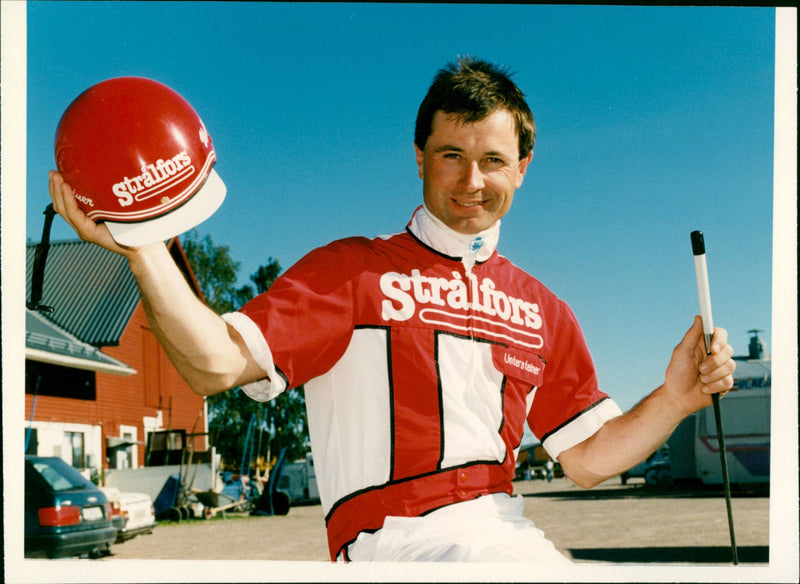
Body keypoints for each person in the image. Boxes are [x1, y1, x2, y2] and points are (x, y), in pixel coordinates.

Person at [48, 57, 736, 563]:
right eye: (451, 155)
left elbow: (586, 460)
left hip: (511, 538)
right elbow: (213, 364)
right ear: (418, 158)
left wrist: (676, 399)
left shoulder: (543, 309)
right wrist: (141, 247)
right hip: (398, 546)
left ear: (523, 166)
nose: (473, 181)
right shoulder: (353, 270)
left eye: (493, 160)